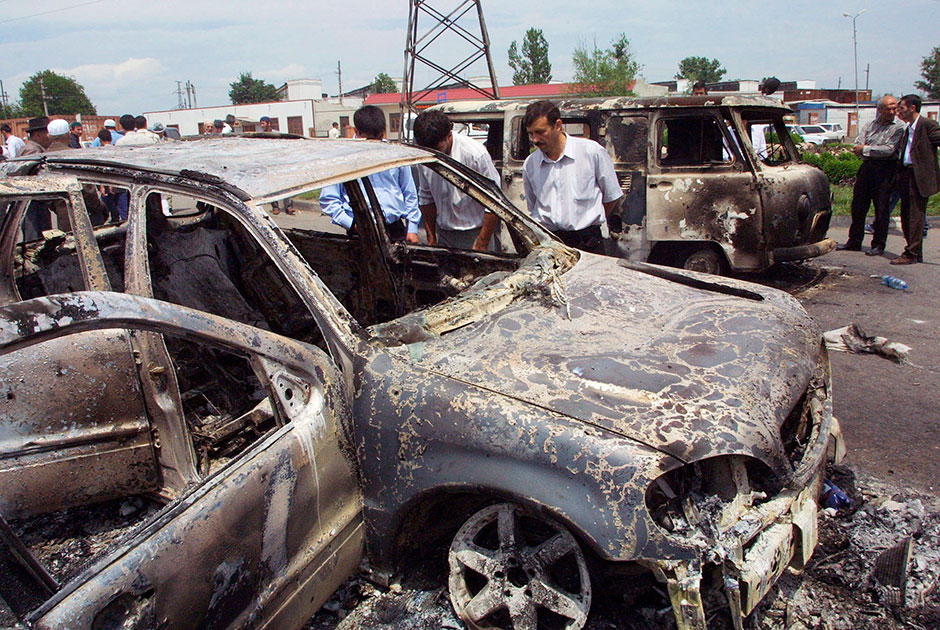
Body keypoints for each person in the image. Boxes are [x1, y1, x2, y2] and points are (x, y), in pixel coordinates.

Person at [521, 100, 623, 255]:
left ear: (558, 125)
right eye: (531, 133)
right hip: (549, 244)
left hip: (588, 244)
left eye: (541, 132)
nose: (535, 139)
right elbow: (533, 204)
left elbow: (611, 196)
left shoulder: (591, 152)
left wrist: (588, 220)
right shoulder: (531, 163)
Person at [319, 105, 419, 240]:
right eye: (369, 140)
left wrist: (412, 228)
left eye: (379, 138)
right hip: (361, 233)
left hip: (395, 230)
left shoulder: (395, 153)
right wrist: (352, 225)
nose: (375, 144)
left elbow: (409, 192)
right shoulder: (342, 159)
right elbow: (329, 199)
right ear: (357, 131)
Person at [412, 109, 500, 250]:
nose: (434, 154)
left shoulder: (475, 154)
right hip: (445, 235)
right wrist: (431, 237)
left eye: (438, 148)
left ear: (449, 135)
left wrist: (482, 243)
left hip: (475, 235)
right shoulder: (425, 156)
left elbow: (494, 202)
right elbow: (426, 198)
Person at [837, 95, 906, 257]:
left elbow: (889, 149)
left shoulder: (899, 127)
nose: (892, 112)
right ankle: (854, 241)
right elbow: (857, 144)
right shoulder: (870, 125)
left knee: (881, 208)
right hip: (867, 167)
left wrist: (866, 149)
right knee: (858, 206)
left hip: (885, 170)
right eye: (888, 108)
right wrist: (866, 150)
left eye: (894, 108)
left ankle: (878, 244)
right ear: (880, 109)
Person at [891, 94, 940, 265]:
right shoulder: (908, 128)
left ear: (912, 108)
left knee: (915, 217)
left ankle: (911, 254)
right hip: (905, 175)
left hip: (918, 177)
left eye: (902, 108)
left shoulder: (927, 125)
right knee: (907, 215)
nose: (899, 112)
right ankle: (915, 252)